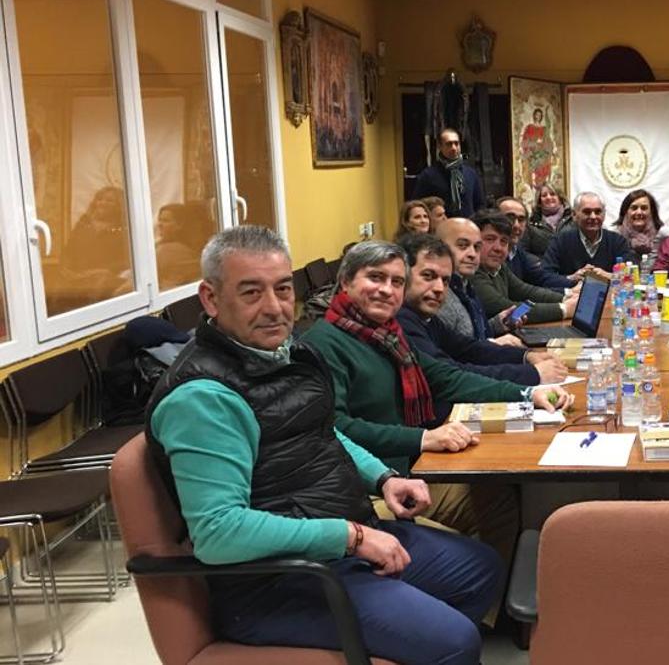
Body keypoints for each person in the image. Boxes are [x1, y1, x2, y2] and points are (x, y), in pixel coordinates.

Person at [146, 226, 501, 663]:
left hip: (338, 538)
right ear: (211, 298)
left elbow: (322, 431)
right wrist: (349, 538)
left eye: (282, 289)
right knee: (455, 640)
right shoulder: (203, 397)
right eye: (251, 293)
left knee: (481, 569)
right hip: (279, 583)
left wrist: (382, 477)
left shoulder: (286, 354)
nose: (275, 308)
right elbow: (219, 533)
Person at [300, 241, 573, 609]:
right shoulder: (323, 345)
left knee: (496, 498)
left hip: (405, 469)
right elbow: (337, 429)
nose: (387, 289)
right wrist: (423, 437)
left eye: (396, 282)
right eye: (375, 278)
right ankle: (474, 603)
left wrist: (527, 392)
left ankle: (491, 609)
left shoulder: (387, 334)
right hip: (368, 490)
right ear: (346, 281)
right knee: (490, 504)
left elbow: (447, 378)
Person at [396, 233, 566, 387]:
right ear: (403, 276)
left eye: (445, 280)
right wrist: (533, 374)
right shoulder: (402, 321)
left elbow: (468, 348)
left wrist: (526, 356)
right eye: (428, 276)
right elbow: (450, 375)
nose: (439, 288)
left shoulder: (426, 316)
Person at [470, 210, 576, 324]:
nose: (498, 248)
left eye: (504, 241)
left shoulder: (499, 268)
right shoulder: (472, 273)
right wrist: (563, 309)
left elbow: (527, 291)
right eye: (490, 239)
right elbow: (508, 309)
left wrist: (566, 298)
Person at [433, 218, 519, 344]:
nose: (472, 254)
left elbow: (469, 334)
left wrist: (496, 325)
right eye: (462, 245)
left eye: (477, 247)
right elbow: (450, 355)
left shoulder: (466, 285)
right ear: (439, 248)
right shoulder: (439, 294)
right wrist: (492, 344)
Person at [540, 191, 637, 283]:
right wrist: (571, 278)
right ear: (574, 215)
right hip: (571, 297)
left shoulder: (617, 241)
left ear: (604, 214)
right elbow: (544, 276)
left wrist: (608, 276)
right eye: (587, 212)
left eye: (598, 212)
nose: (593, 217)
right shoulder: (560, 241)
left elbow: (632, 275)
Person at [498, 196, 573, 290]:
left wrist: (574, 281)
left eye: (521, 220)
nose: (516, 225)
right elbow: (523, 292)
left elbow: (542, 277)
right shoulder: (488, 255)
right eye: (510, 218)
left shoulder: (517, 252)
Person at [412, 128, 483, 218]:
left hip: (468, 226)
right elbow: (418, 206)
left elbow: (480, 204)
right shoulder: (428, 176)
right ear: (440, 146)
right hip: (442, 227)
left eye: (456, 143)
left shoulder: (470, 174)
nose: (453, 148)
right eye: (449, 144)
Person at [524, 183, 573, 260]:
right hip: (541, 269)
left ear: (560, 198)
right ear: (539, 201)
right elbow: (524, 252)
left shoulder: (573, 220)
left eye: (552, 194)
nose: (548, 197)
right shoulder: (531, 224)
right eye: (544, 195)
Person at [613, 189, 665, 257]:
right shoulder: (614, 237)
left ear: (652, 211)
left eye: (644, 208)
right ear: (625, 211)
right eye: (634, 208)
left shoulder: (663, 236)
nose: (639, 212)